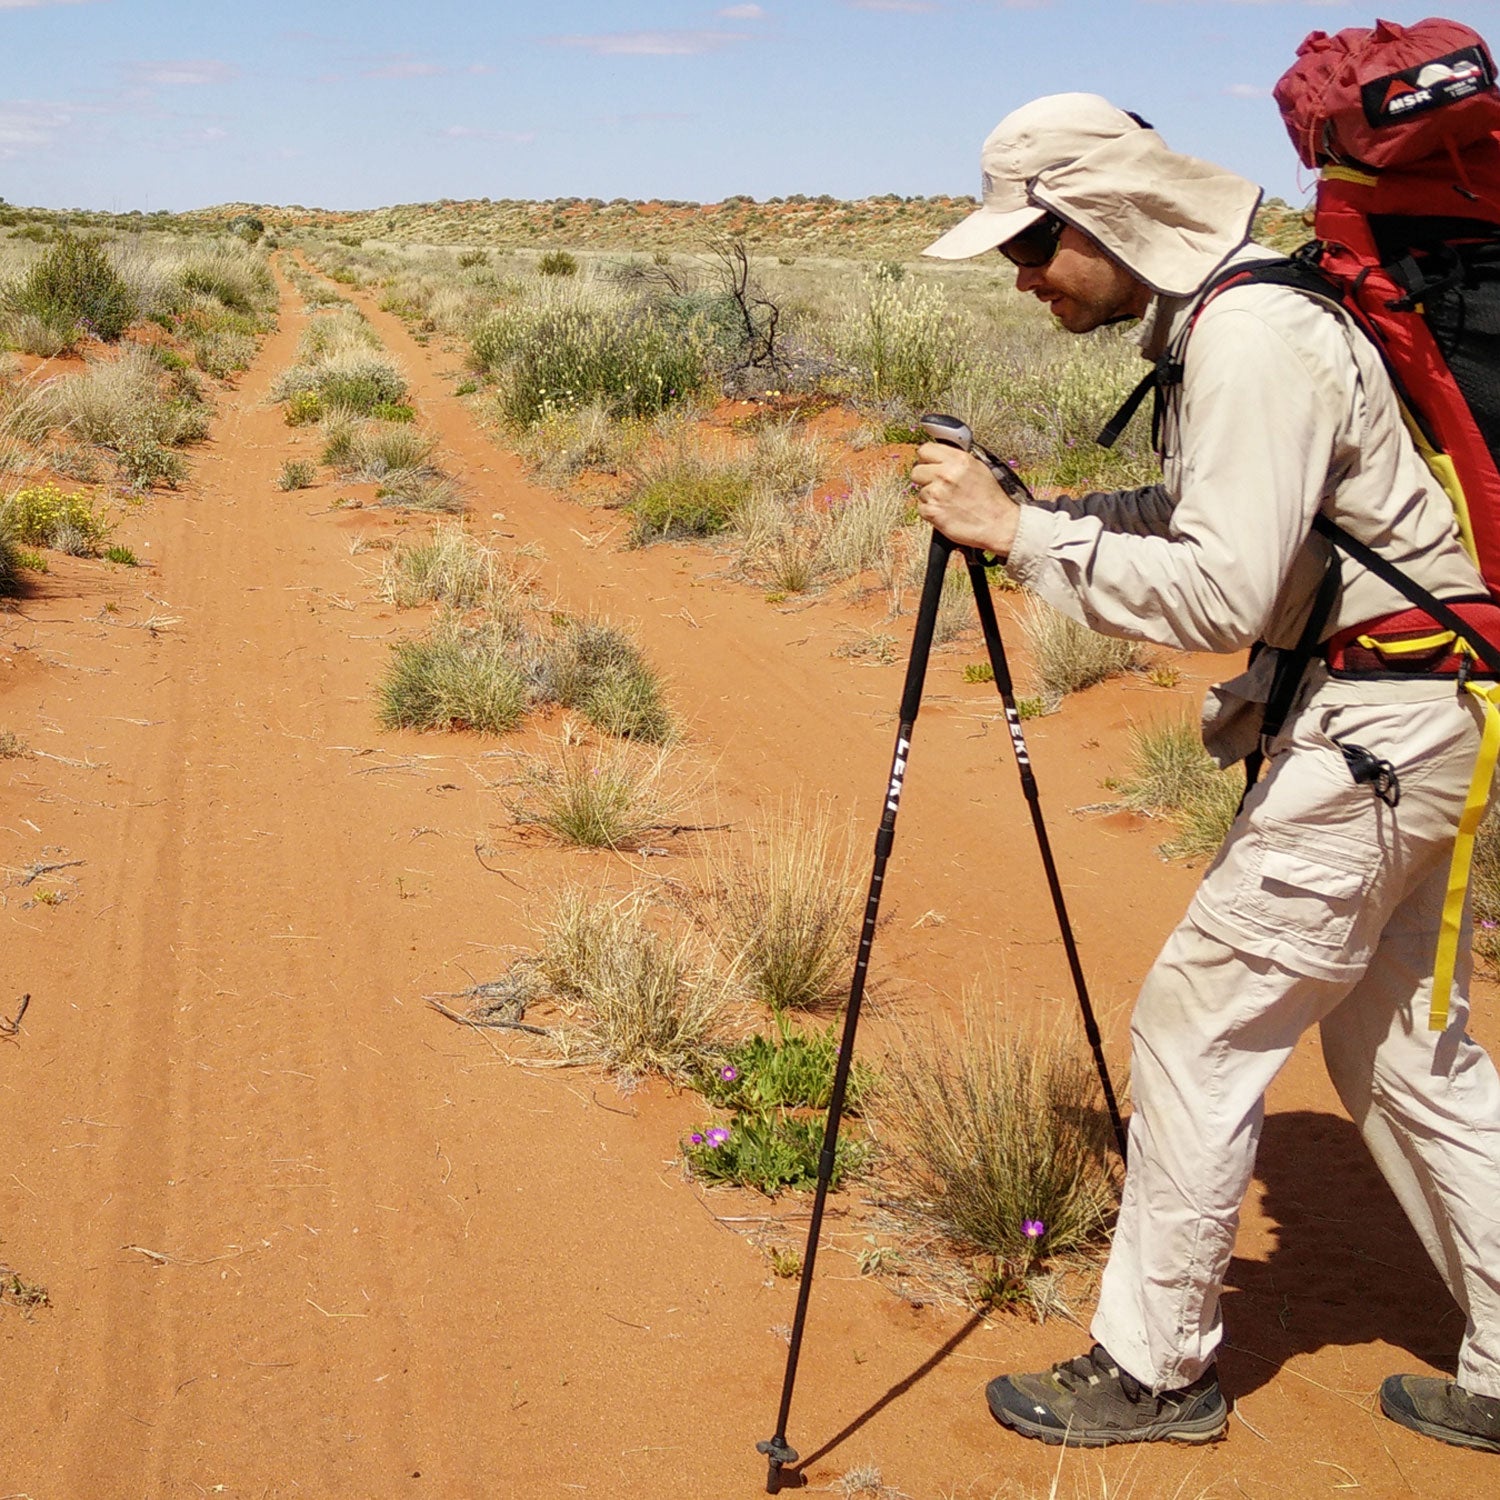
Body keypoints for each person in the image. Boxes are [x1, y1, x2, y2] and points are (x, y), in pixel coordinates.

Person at [911, 93, 1500, 1453]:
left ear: (1112, 218)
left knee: (1200, 1021)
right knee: (1402, 1050)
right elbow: (1224, 526)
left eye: (1035, 242)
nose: (1021, 274)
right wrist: (1042, 516)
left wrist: (1020, 543)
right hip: (1415, 717)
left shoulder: (1250, 334)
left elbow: (1221, 586)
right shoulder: (1238, 321)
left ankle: (1154, 1368)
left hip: (1380, 734)